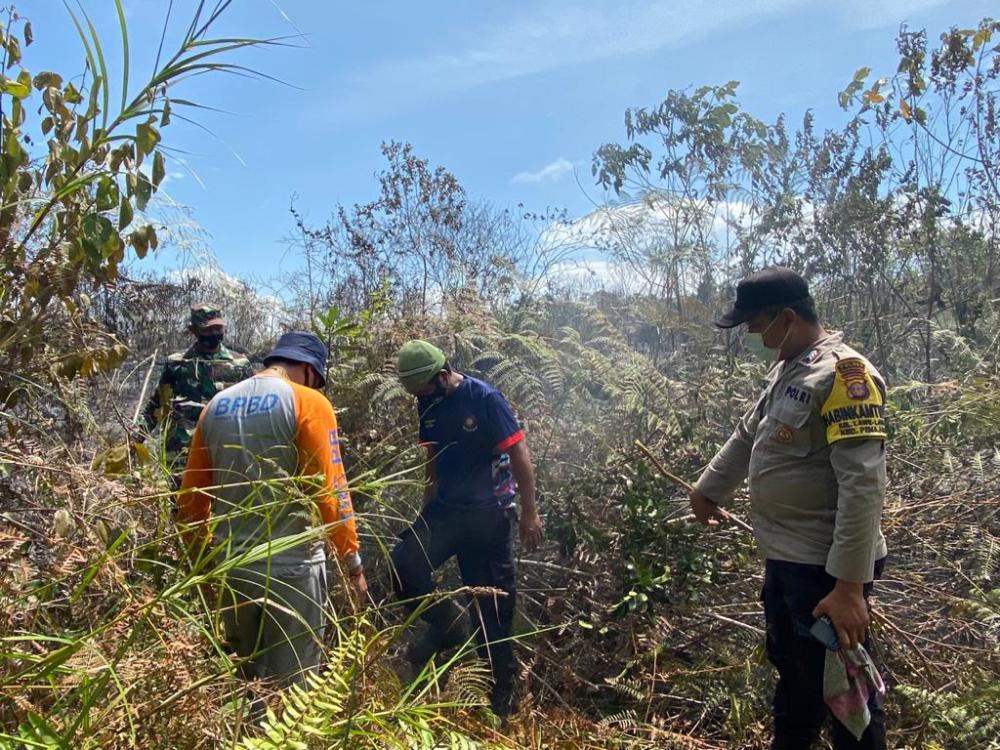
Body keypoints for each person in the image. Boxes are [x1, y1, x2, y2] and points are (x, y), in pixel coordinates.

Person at [689, 267, 888, 750]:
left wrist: (849, 587)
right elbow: (747, 434)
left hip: (827, 571)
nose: (754, 336)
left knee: (848, 698)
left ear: (787, 316)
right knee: (797, 682)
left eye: (756, 325)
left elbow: (863, 486)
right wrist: (708, 488)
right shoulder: (788, 369)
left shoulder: (843, 375)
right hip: (788, 561)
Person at [178, 331, 366, 692]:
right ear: (310, 371)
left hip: (234, 571)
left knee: (247, 688)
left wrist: (202, 565)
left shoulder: (215, 405)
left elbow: (191, 502)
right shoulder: (308, 401)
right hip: (293, 572)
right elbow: (331, 491)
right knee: (295, 695)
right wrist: (352, 563)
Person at [390, 339, 543, 716]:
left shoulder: (484, 397)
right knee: (404, 565)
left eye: (424, 388)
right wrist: (424, 514)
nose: (421, 396)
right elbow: (433, 460)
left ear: (442, 375)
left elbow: (519, 453)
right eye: (416, 392)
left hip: (488, 514)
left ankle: (500, 691)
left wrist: (529, 512)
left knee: (492, 604)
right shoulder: (427, 401)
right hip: (445, 510)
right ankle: (446, 624)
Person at [140, 303, 254, 479]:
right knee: (180, 503)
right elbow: (156, 405)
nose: (214, 334)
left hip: (225, 449)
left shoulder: (240, 364)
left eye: (218, 328)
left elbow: (254, 409)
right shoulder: (177, 364)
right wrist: (134, 439)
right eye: (208, 330)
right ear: (193, 330)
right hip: (182, 452)